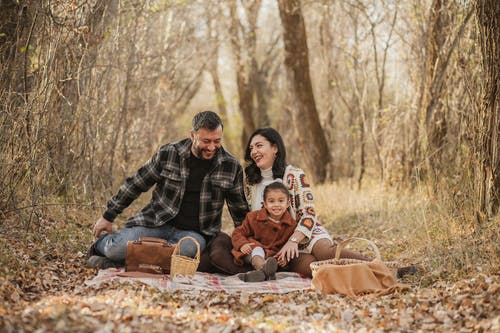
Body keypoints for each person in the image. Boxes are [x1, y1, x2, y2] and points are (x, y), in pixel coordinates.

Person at [86, 111, 249, 269]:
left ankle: (121, 262)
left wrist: (246, 242)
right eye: (206, 141)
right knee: (117, 249)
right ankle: (105, 247)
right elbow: (137, 183)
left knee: (187, 252)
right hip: (155, 223)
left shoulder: (231, 166)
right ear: (192, 135)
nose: (212, 147)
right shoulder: (169, 153)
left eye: (217, 141)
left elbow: (239, 210)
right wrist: (108, 216)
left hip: (194, 234)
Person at [243, 127, 370, 277]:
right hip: (282, 246)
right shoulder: (250, 184)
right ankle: (358, 277)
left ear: (275, 148)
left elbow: (309, 213)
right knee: (314, 267)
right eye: (251, 148)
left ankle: (381, 269)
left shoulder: (295, 175)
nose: (254, 152)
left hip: (306, 233)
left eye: (259, 146)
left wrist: (294, 240)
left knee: (326, 253)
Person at [231, 181, 297, 282]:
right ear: (265, 204)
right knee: (257, 250)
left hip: (272, 257)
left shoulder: (291, 225)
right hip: (251, 250)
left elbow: (289, 246)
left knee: (273, 261)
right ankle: (265, 269)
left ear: (288, 203)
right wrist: (242, 244)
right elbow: (238, 233)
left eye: (281, 201)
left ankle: (260, 274)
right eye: (271, 201)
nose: (276, 205)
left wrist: (286, 258)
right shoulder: (253, 217)